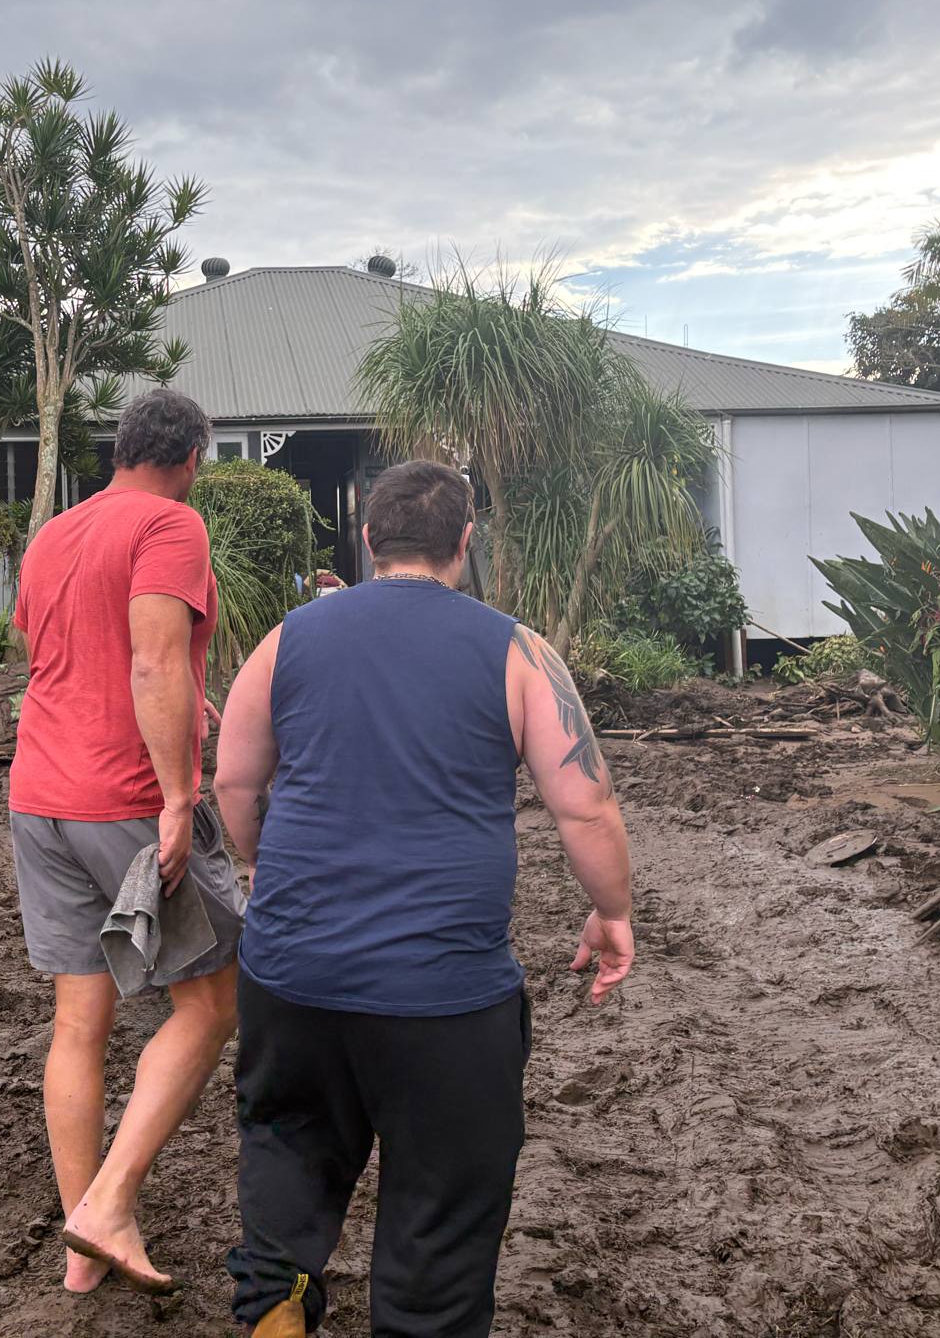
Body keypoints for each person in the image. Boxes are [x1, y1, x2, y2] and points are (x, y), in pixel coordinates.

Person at [214, 460, 636, 1338]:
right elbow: (584, 803)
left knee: (288, 1149)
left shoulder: (287, 639)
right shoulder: (517, 650)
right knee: (439, 1215)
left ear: (367, 540)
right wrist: (613, 914)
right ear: (465, 545)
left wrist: (266, 874)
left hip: (291, 977)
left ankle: (277, 1304)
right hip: (443, 1000)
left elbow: (235, 785)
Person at [7, 387, 243, 1297]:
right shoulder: (170, 526)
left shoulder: (55, 533)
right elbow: (147, 657)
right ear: (188, 459)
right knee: (212, 1006)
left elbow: (65, 653)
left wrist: (190, 687)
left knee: (79, 1022)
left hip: (40, 794)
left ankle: (81, 1250)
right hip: (123, 800)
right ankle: (108, 1204)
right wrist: (180, 796)